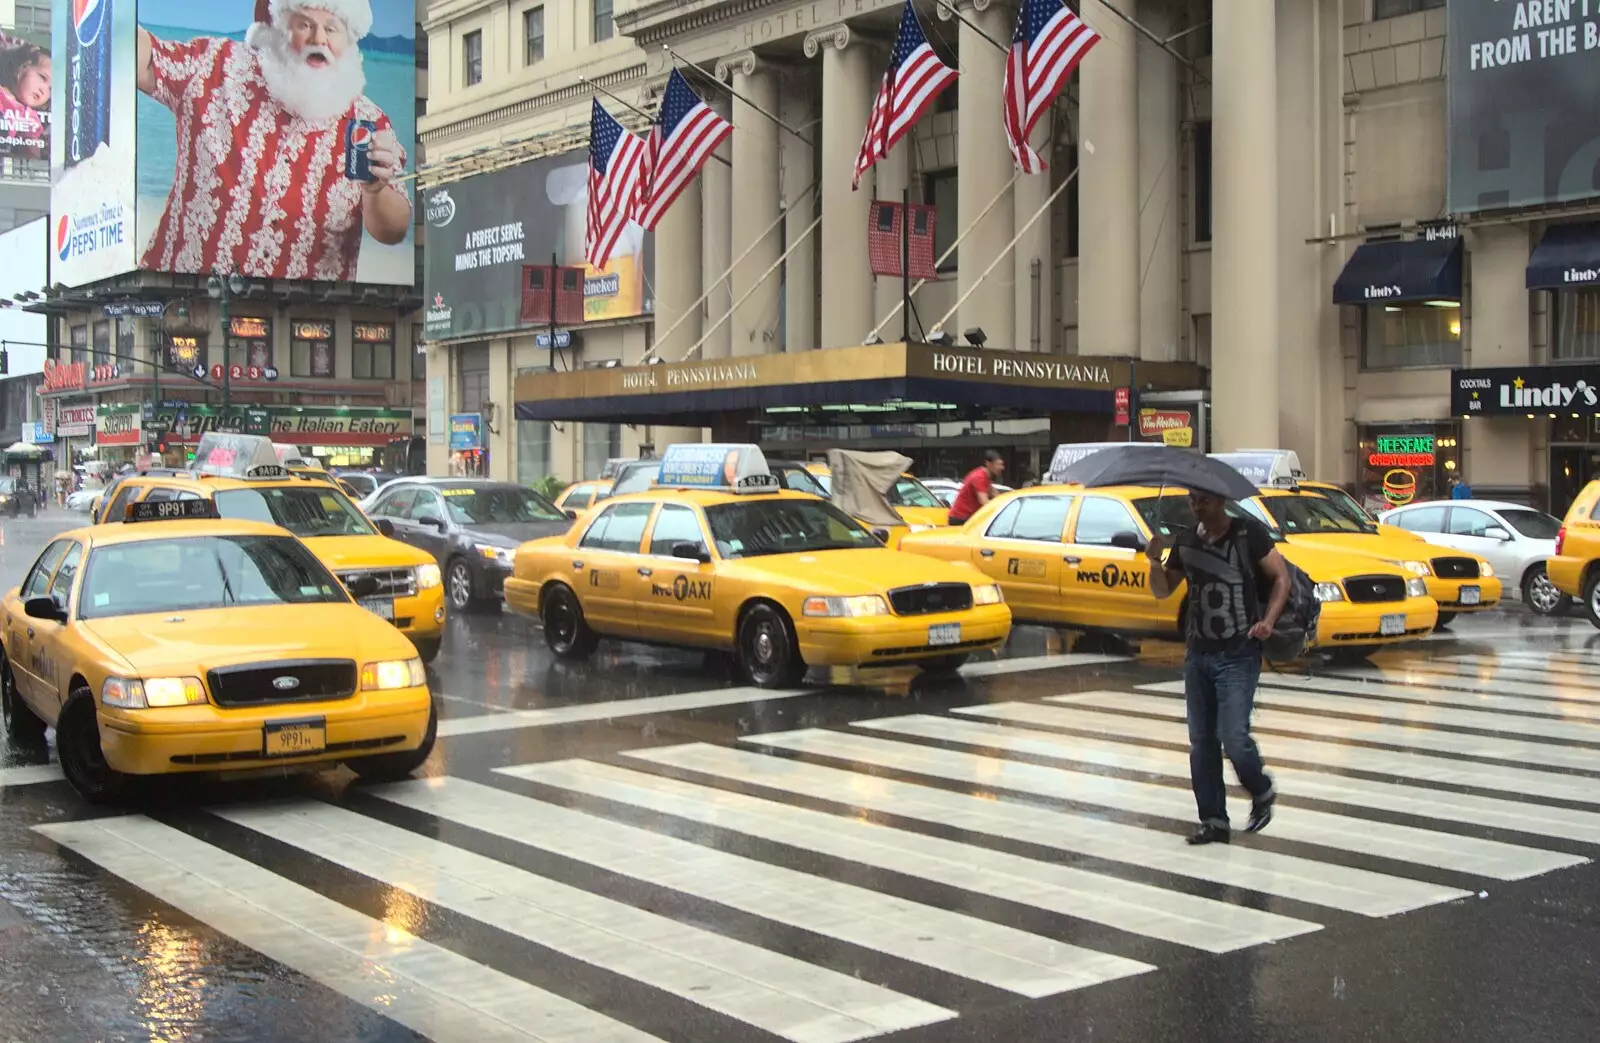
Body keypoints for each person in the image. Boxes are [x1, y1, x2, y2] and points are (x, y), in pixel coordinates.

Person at [135, 0, 412, 280]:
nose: (319, 39)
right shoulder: (218, 66)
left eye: (332, 29)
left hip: (303, 315)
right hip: (177, 299)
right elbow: (144, 59)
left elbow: (393, 230)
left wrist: (375, 191)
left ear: (349, 40)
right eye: (305, 24)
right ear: (279, 26)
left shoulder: (368, 123)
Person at [1146, 491, 1289, 845]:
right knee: (1202, 742)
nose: (1198, 505)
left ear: (1221, 501)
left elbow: (1281, 578)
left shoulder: (1247, 534)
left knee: (1234, 738)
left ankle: (1261, 788)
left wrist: (1268, 621)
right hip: (1198, 654)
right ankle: (1213, 820)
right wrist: (1153, 561)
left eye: (1205, 500)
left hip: (1239, 652)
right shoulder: (1185, 540)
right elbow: (1164, 590)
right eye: (1194, 500)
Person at [948, 450, 1004, 525]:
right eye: (998, 464)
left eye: (1001, 465)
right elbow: (985, 502)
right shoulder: (979, 477)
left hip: (969, 517)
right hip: (961, 518)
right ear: (988, 464)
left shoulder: (985, 477)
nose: (1001, 468)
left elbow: (996, 495)